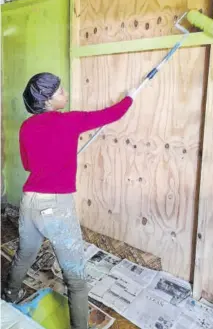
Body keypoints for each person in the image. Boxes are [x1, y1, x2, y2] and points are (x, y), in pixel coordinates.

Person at [2, 72, 135, 329]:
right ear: (48, 100)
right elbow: (112, 114)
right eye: (61, 91)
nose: (66, 94)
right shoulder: (70, 121)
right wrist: (130, 97)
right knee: (75, 278)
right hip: (56, 207)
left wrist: (56, 157)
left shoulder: (26, 127)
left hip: (29, 202)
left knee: (25, 255)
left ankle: (10, 295)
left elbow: (29, 165)